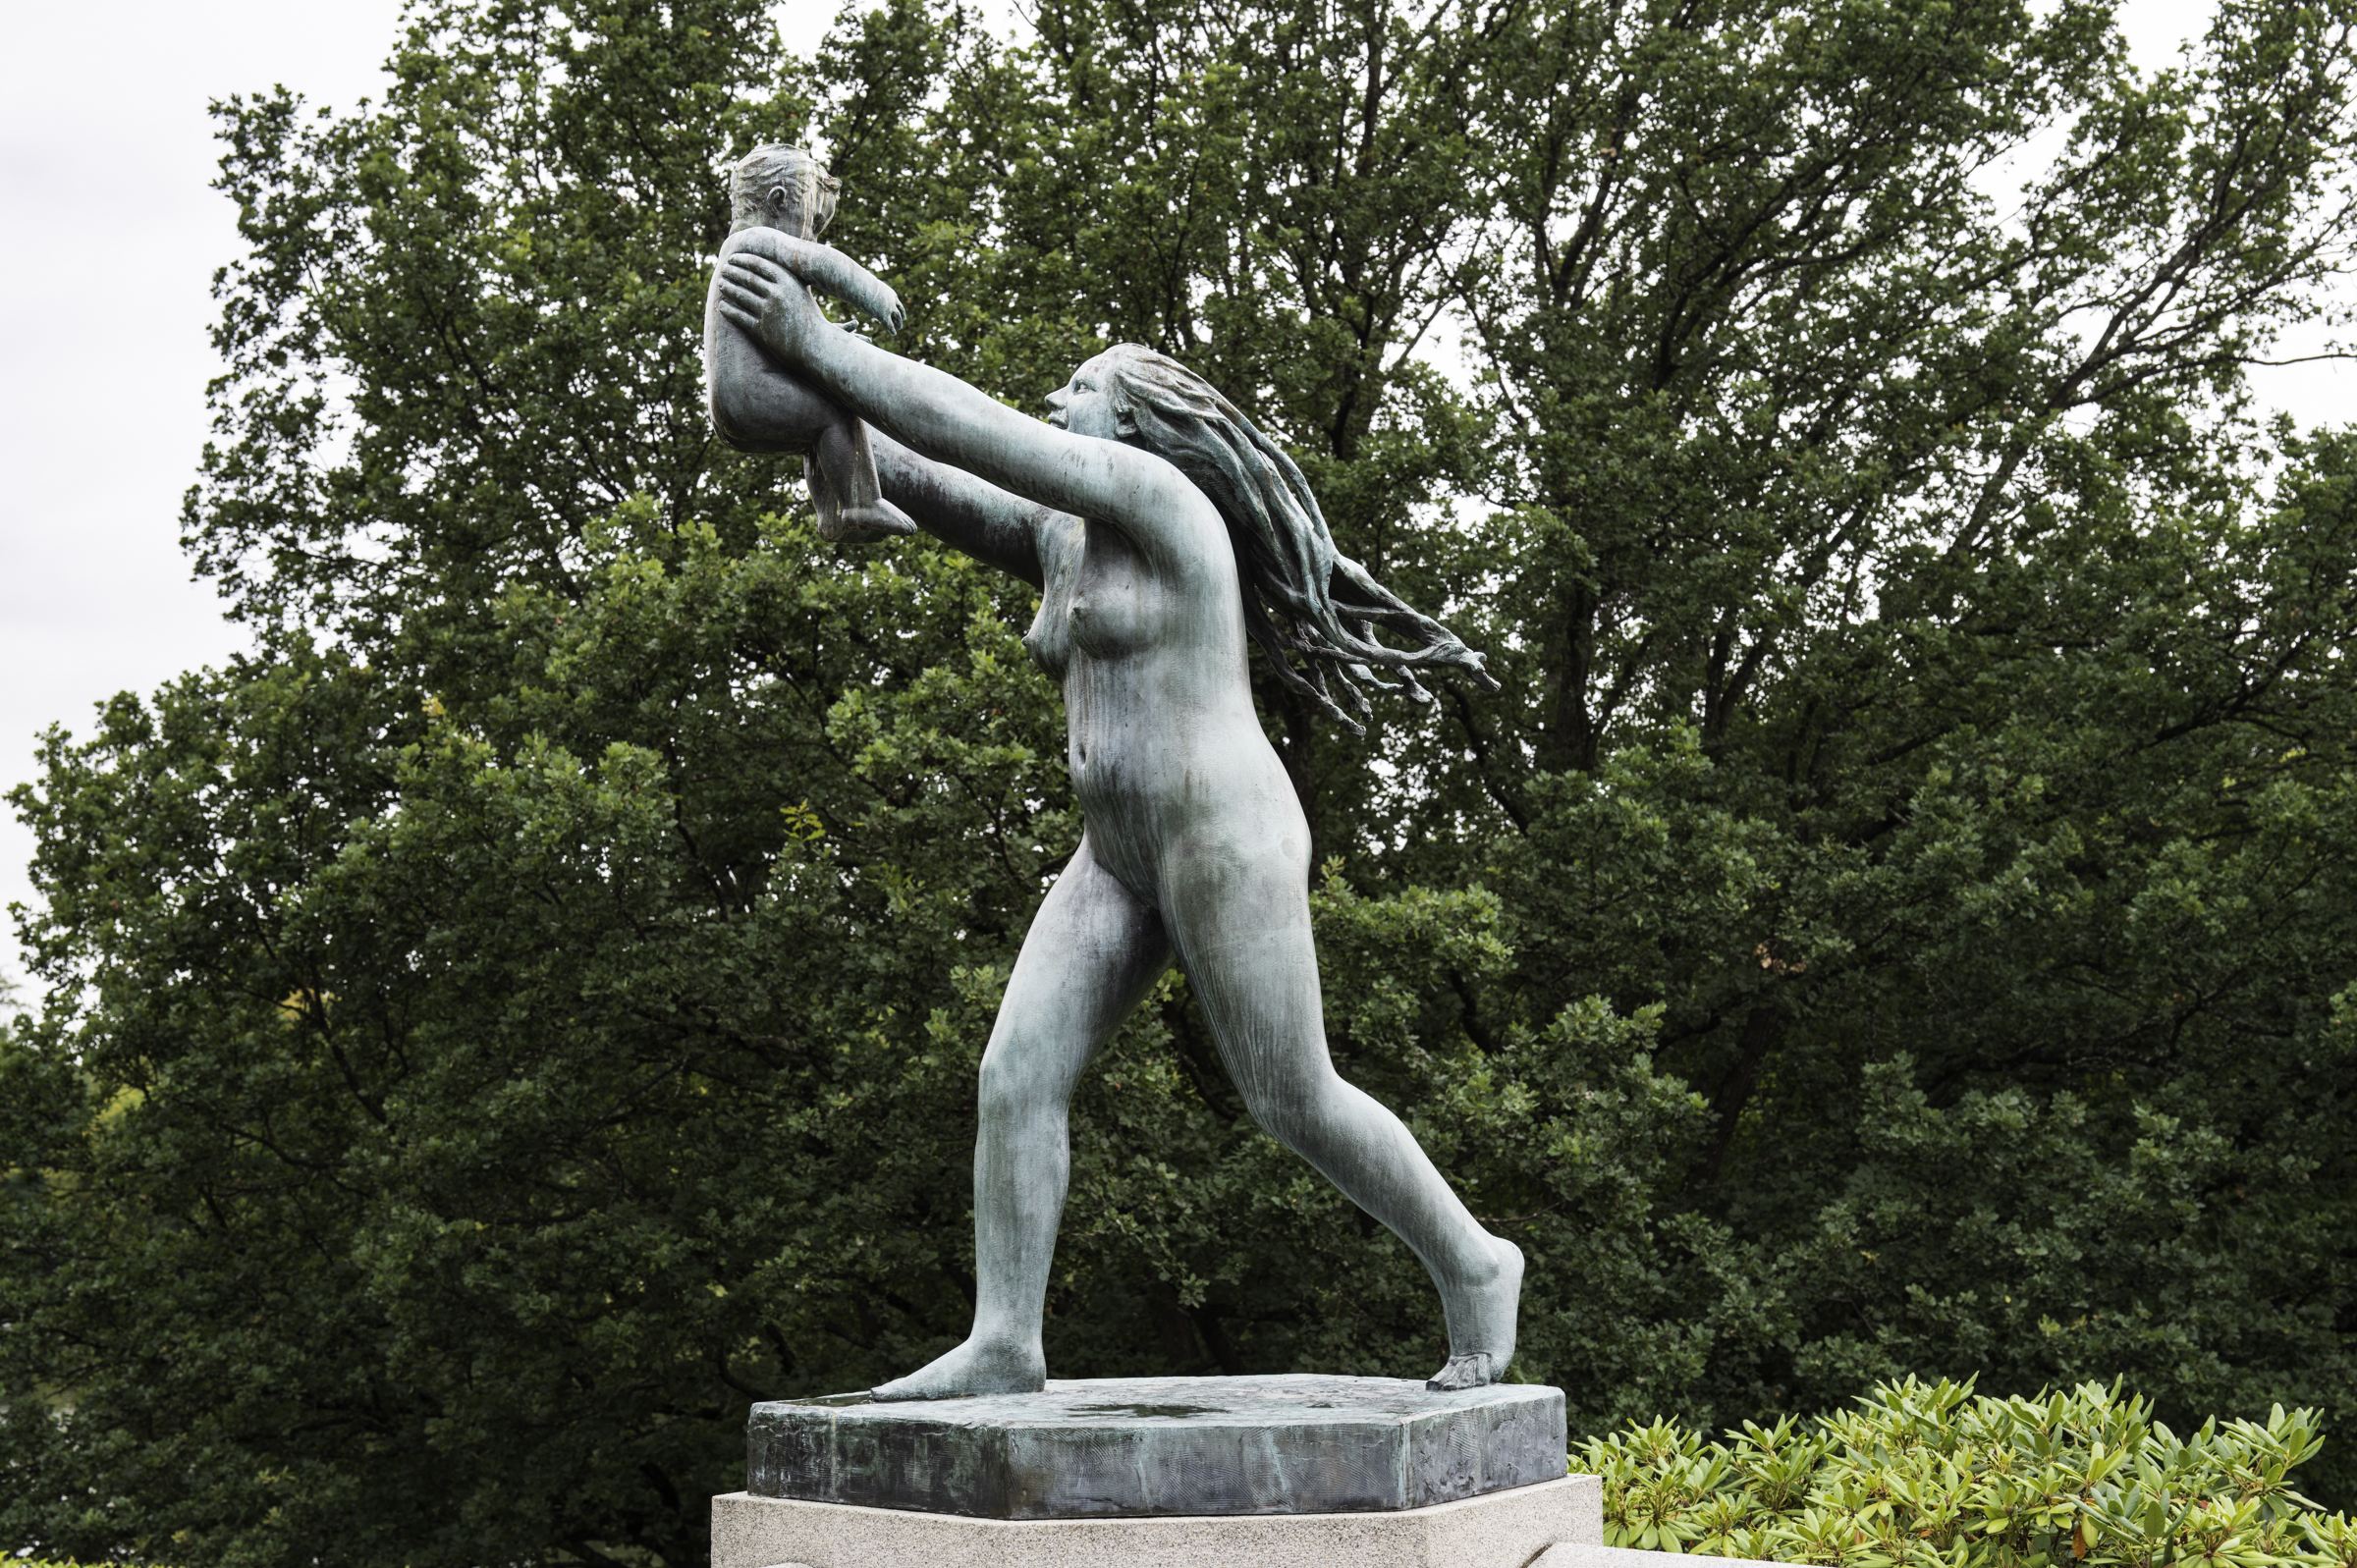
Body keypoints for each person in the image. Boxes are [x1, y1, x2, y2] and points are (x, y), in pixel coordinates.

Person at [715, 235, 1525, 1397]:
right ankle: (1006, 1339)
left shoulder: (1163, 502)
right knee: (1015, 1073)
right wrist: (790, 382)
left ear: (1138, 422)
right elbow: (919, 466)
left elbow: (982, 431)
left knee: (1290, 1095)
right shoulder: (1061, 534)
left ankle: (1477, 1262)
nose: (1060, 400)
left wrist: (821, 342)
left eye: (1083, 387)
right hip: (1116, 850)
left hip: (1220, 832)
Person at [705, 145, 915, 543]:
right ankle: (861, 502)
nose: (814, 237)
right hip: (748, 393)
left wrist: (828, 333)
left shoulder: (739, 256)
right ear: (778, 201)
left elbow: (783, 334)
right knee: (835, 411)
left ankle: (831, 515)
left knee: (811, 432)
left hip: (733, 405)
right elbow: (822, 263)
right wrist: (876, 293)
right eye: (814, 222)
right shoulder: (754, 239)